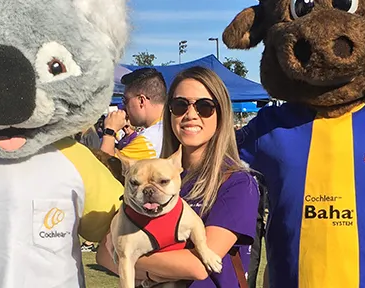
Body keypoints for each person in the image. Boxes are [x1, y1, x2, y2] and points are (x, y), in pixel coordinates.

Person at [98, 66, 260, 287]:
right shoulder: (155, 173)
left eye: (205, 107)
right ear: (170, 112)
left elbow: (197, 266)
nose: (191, 114)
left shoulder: (237, 183)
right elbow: (103, 256)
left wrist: (128, 256)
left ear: (221, 114)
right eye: (180, 105)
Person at [102, 68, 168, 160]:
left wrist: (109, 131)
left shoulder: (148, 140)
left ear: (141, 100)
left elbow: (105, 168)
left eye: (125, 100)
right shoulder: (170, 127)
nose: (124, 107)